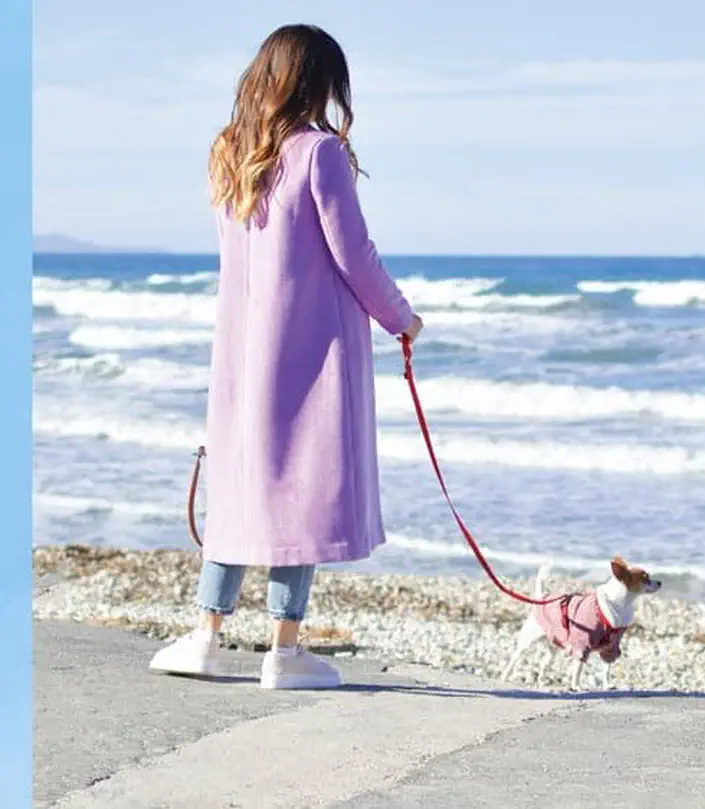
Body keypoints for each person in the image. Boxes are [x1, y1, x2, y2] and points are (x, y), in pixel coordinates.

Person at [149, 24, 423, 689]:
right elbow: (354, 256)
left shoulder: (227, 153)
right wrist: (402, 318)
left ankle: (206, 636)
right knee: (299, 488)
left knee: (243, 487)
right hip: (310, 349)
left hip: (243, 348)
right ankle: (285, 648)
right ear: (316, 81)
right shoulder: (319, 154)